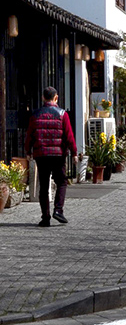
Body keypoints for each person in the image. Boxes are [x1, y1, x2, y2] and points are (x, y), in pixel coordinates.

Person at [25, 86, 77, 227]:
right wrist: (74, 152)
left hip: (41, 154)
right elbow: (69, 136)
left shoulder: (35, 115)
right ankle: (58, 210)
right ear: (56, 98)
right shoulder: (62, 114)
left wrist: (28, 151)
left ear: (43, 98)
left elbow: (29, 135)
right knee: (61, 182)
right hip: (58, 154)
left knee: (44, 186)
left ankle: (45, 217)